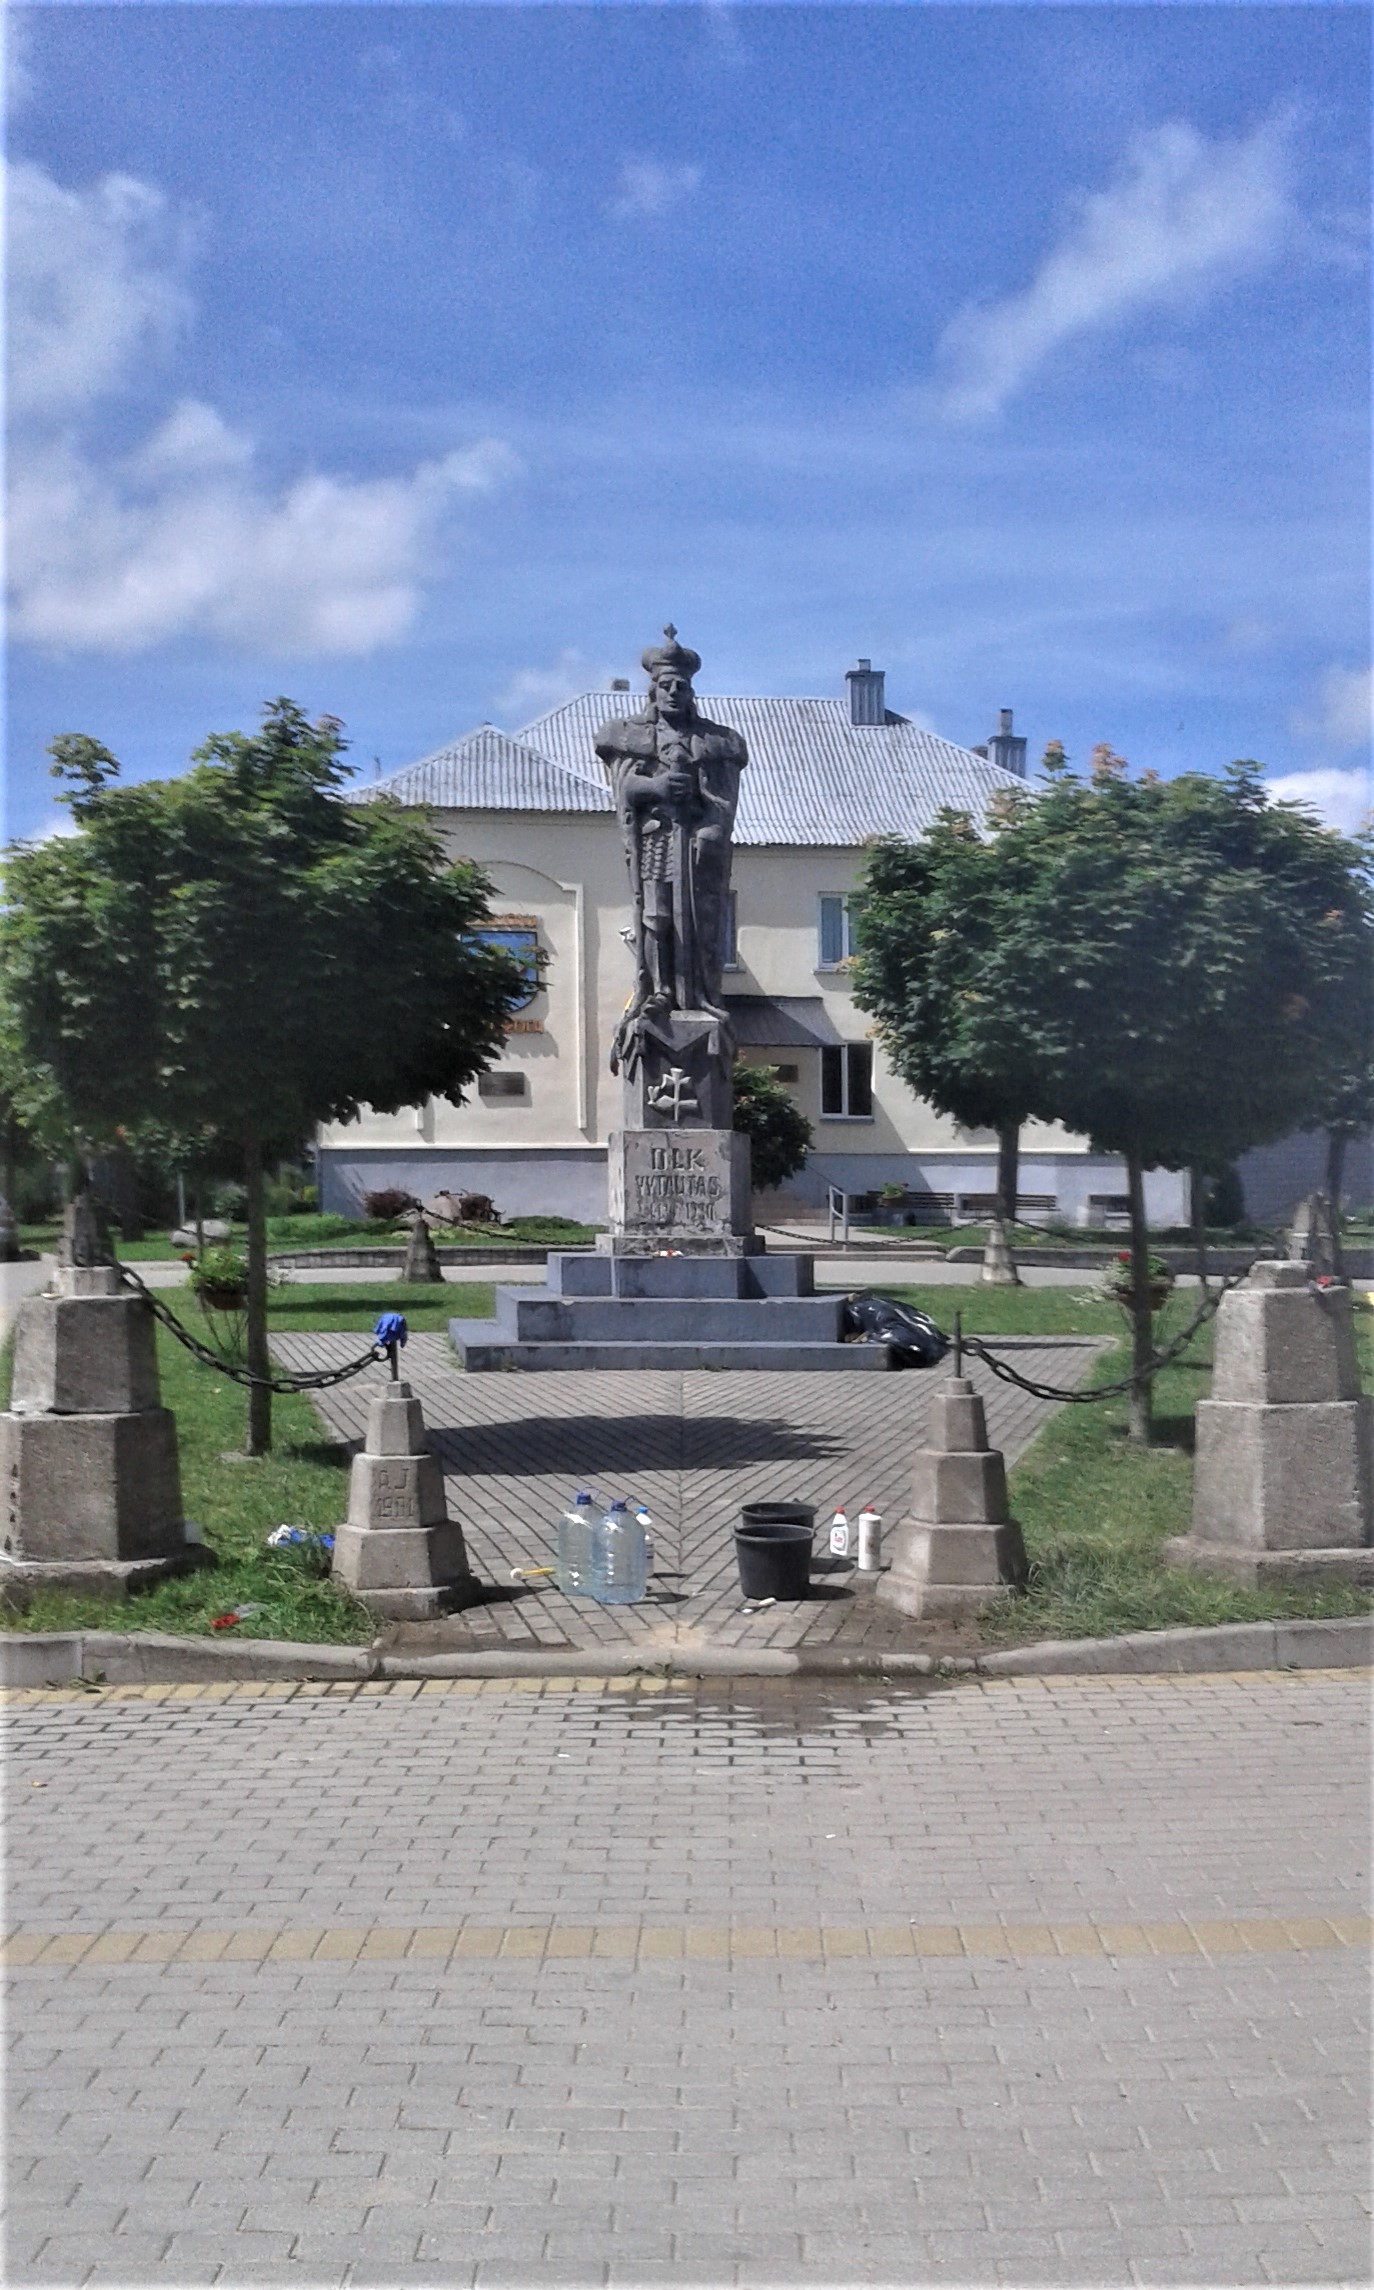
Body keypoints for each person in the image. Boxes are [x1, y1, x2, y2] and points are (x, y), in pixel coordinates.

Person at [596, 629, 746, 1077]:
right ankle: (660, 991)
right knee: (656, 917)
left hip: (694, 850)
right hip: (657, 841)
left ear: (691, 692)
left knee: (694, 923)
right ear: (654, 690)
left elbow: (722, 803)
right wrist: (657, 786)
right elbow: (625, 788)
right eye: (666, 685)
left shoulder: (715, 743)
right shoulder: (631, 736)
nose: (674, 692)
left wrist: (708, 828)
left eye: (681, 685)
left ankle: (693, 993)